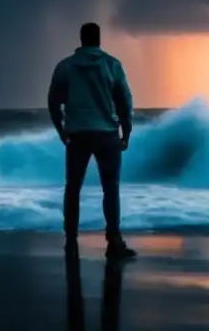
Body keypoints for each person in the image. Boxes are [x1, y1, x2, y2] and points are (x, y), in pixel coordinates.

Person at [48, 22, 137, 260]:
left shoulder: (65, 67)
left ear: (81, 39)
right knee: (111, 188)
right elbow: (125, 101)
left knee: (73, 187)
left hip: (77, 135)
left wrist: (61, 130)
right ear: (99, 39)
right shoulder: (112, 65)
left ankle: (70, 239)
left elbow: (53, 102)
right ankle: (114, 240)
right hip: (107, 134)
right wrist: (126, 131)